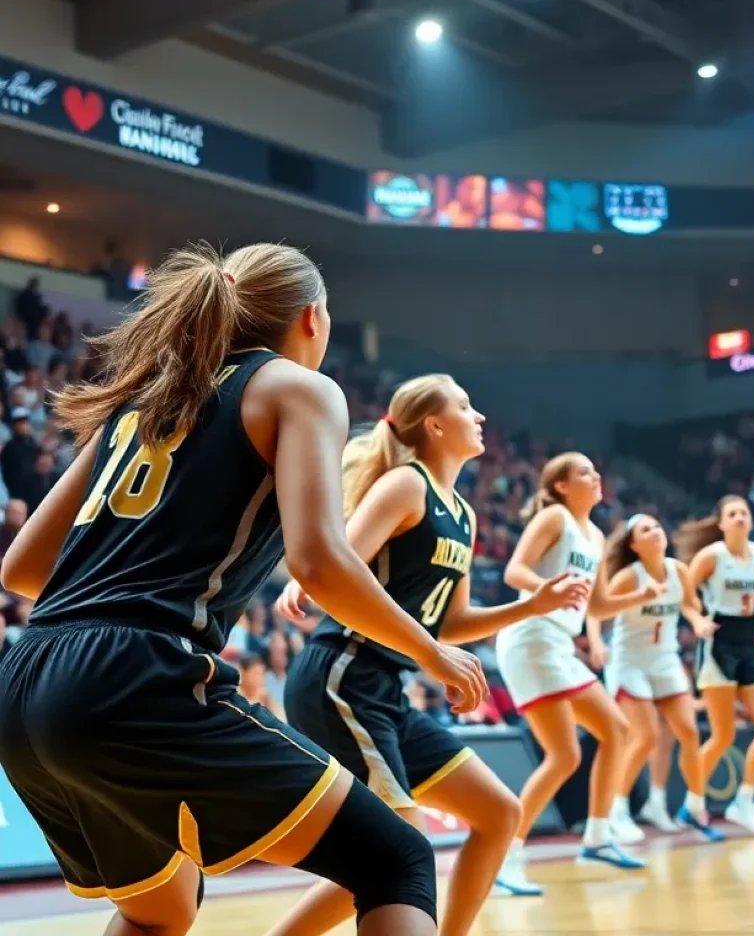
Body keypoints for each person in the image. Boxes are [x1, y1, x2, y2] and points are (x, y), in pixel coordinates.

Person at [0, 244, 490, 936]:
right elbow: (317, 563)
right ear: (312, 319)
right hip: (137, 674)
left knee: (158, 910)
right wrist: (433, 653)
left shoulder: (145, 400)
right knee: (397, 861)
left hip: (26, 679)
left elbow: (20, 567)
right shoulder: (299, 388)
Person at [270, 374, 587, 933]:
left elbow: (453, 622)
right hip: (342, 674)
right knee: (395, 851)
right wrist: (308, 584)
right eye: (466, 407)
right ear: (435, 426)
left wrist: (531, 606)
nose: (480, 417)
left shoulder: (462, 514)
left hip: (385, 688)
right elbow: (340, 559)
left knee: (498, 813)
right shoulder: (405, 485)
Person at [494, 453, 648, 895]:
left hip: (556, 642)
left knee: (573, 752)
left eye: (596, 470)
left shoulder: (596, 535)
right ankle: (512, 855)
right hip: (532, 637)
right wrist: (548, 590)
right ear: (561, 486)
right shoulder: (555, 518)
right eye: (584, 472)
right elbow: (514, 571)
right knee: (609, 733)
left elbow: (596, 606)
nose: (595, 476)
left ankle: (595, 837)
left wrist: (639, 596)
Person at [680, 496, 754, 837]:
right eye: (732, 513)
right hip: (718, 643)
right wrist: (696, 620)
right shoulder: (710, 557)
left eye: (744, 512)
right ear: (721, 523)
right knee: (723, 734)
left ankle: (744, 802)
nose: (740, 517)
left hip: (749, 644)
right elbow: (686, 599)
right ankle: (693, 803)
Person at [601, 513, 717, 843]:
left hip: (665, 659)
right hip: (630, 661)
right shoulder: (628, 577)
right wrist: (596, 641)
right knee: (646, 736)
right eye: (646, 529)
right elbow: (601, 609)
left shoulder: (679, 571)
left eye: (657, 526)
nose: (655, 532)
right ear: (634, 545)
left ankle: (683, 806)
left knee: (689, 732)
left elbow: (691, 606)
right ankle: (616, 810)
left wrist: (697, 623)